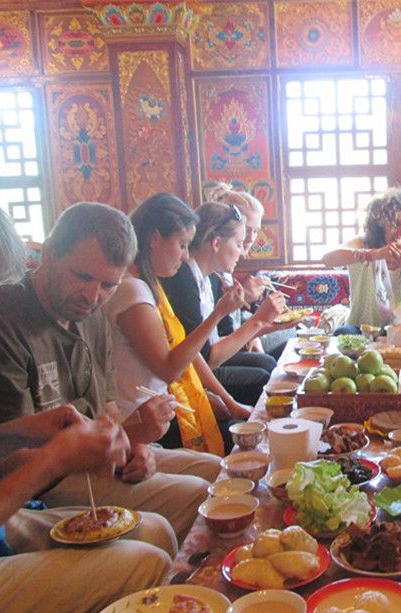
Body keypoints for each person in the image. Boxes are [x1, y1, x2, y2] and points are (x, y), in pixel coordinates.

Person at [0, 178, 173, 613]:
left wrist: (22, 430)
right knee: (143, 563)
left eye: (108, 285)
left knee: (155, 533)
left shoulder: (89, 320)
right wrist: (53, 459)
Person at [0, 199, 220, 542]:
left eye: (109, 285)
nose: (93, 297)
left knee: (216, 472)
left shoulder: (93, 318)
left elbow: (107, 413)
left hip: (84, 462)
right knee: (191, 502)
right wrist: (68, 453)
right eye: (82, 277)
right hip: (41, 483)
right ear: (48, 254)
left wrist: (132, 445)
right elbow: (6, 466)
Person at [104, 193, 285, 453]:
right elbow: (171, 368)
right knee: (250, 440)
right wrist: (221, 314)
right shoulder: (133, 290)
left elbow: (185, 351)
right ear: (155, 238)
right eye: (181, 245)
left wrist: (226, 400)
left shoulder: (149, 285)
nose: (186, 255)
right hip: (143, 421)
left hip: (164, 406)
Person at [156, 198, 288, 411]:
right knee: (263, 375)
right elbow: (207, 357)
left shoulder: (210, 277)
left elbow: (215, 342)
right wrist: (258, 321)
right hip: (185, 377)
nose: (242, 252)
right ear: (216, 244)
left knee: (266, 364)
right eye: (239, 244)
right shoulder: (183, 279)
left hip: (203, 362)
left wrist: (266, 324)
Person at [321, 189, 401, 331]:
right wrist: (375, 254)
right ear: (381, 224)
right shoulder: (363, 244)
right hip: (360, 330)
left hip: (399, 331)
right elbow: (327, 259)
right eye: (395, 224)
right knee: (344, 331)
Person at [207, 183, 294, 359]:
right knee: (269, 358)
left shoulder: (226, 267)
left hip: (235, 339)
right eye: (247, 230)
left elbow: (235, 319)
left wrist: (253, 331)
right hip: (222, 350)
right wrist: (253, 328)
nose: (250, 238)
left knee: (292, 330)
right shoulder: (211, 269)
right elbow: (216, 331)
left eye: (255, 231)